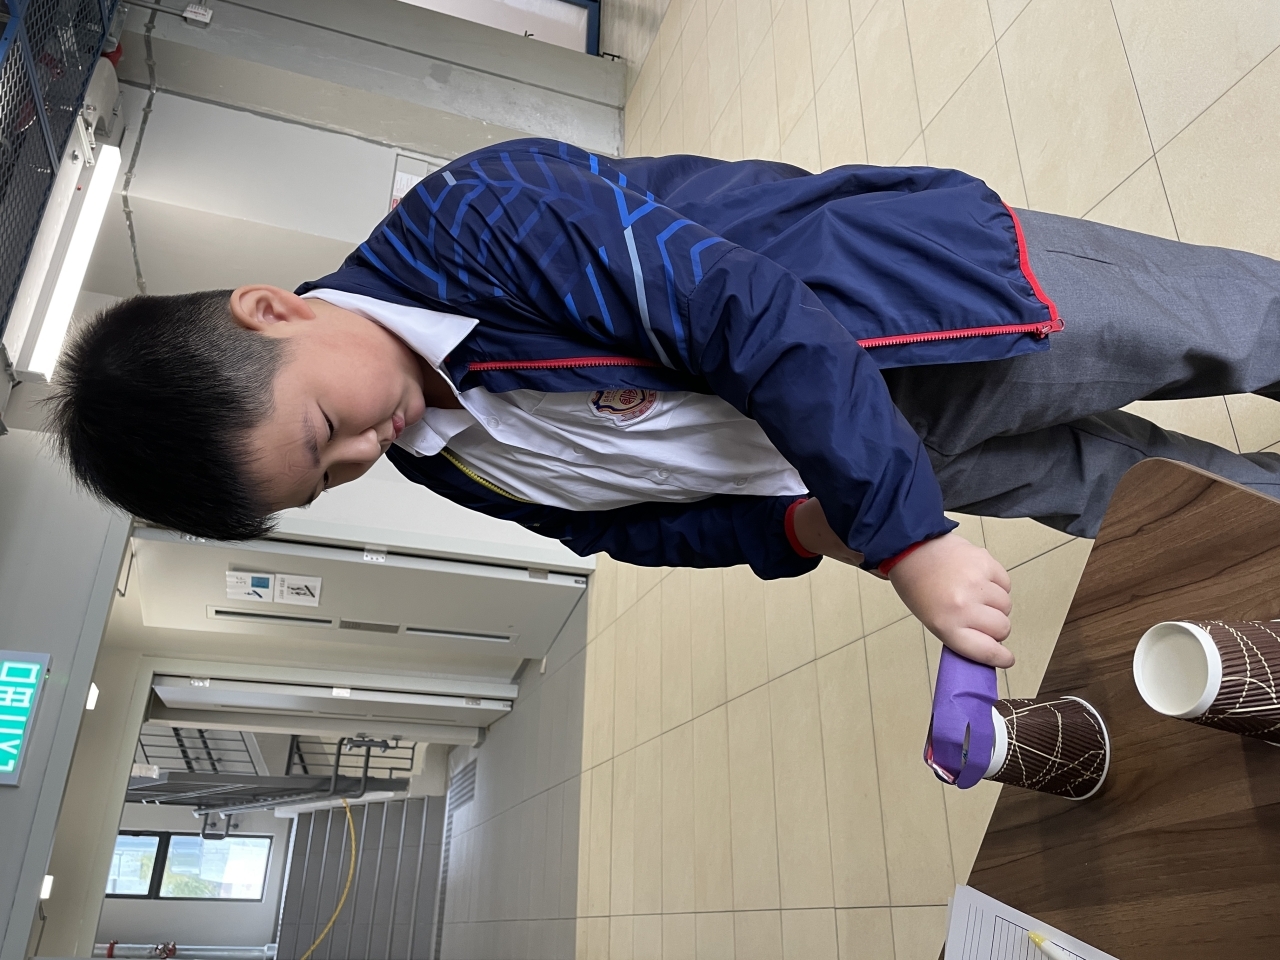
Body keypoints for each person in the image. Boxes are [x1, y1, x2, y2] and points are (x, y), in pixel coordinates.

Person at [47, 138, 1280, 671]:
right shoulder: (439, 458)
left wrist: (904, 539)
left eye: (326, 431)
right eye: (330, 481)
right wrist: (800, 527)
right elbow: (626, 527)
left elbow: (744, 313)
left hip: (934, 316)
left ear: (272, 310)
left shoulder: (468, 225)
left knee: (1227, 330)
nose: (369, 451)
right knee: (1152, 504)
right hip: (881, 462)